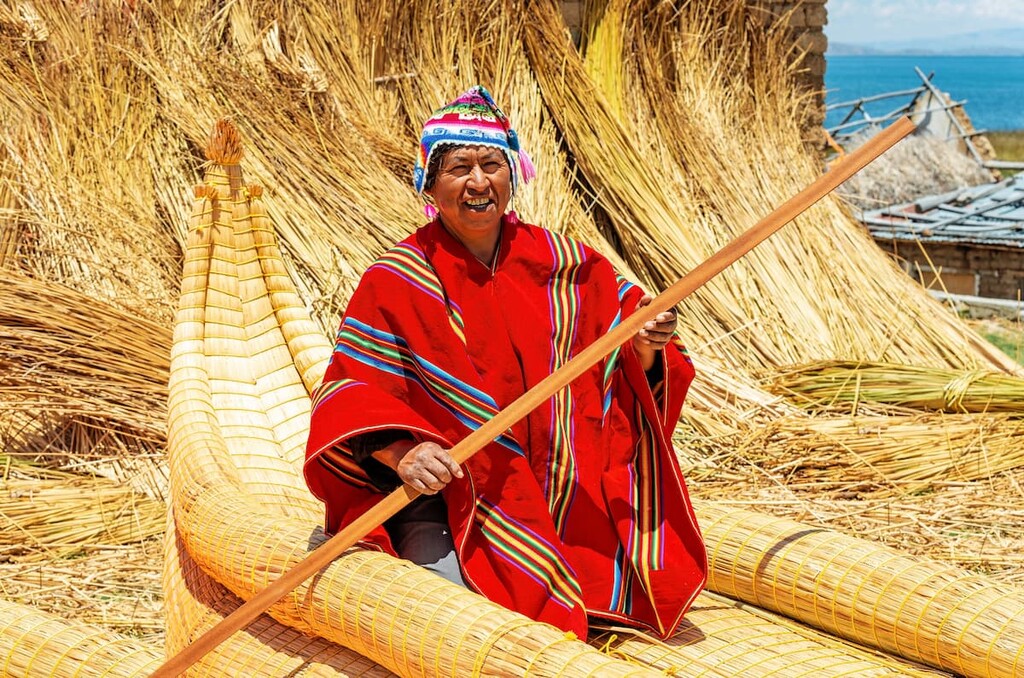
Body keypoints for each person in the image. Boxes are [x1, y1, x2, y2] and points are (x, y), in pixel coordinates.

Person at [304, 86, 705, 639]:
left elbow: (624, 344)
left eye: (491, 165)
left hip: (558, 495)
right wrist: (404, 454)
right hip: (454, 499)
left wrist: (647, 343)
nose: (477, 183)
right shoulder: (397, 280)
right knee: (456, 619)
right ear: (430, 182)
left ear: (513, 174)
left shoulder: (564, 262)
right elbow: (352, 396)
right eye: (459, 167)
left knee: (606, 589)